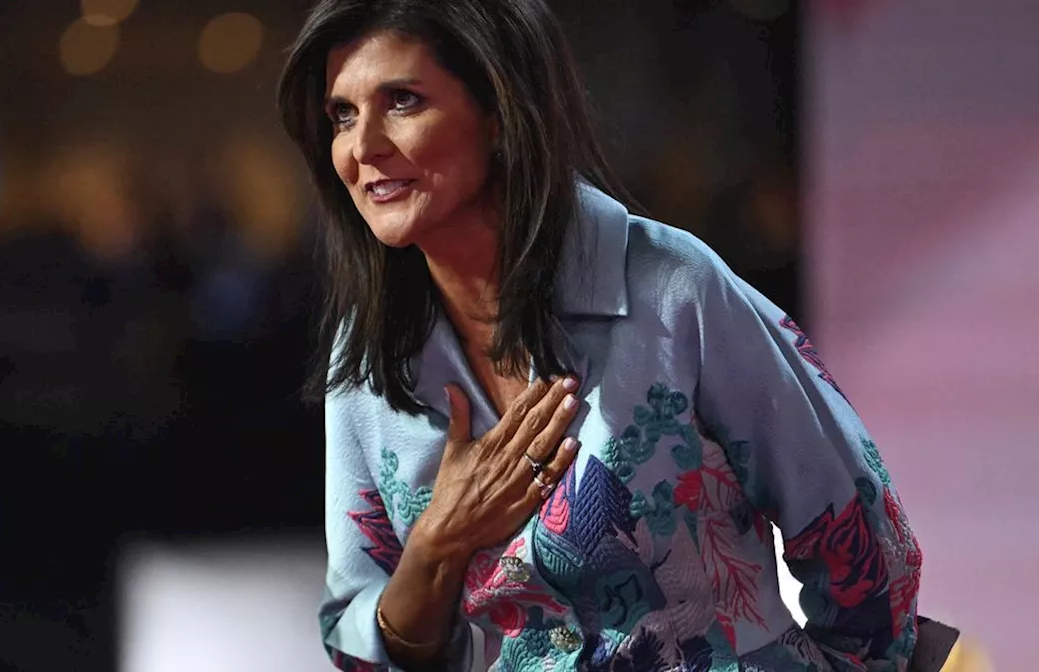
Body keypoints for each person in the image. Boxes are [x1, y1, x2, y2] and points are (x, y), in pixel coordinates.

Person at [276, 0, 922, 669]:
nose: (363, 146)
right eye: (342, 115)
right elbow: (360, 645)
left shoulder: (673, 289)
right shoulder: (366, 360)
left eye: (403, 101)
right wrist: (440, 540)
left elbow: (864, 543)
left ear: (499, 111)